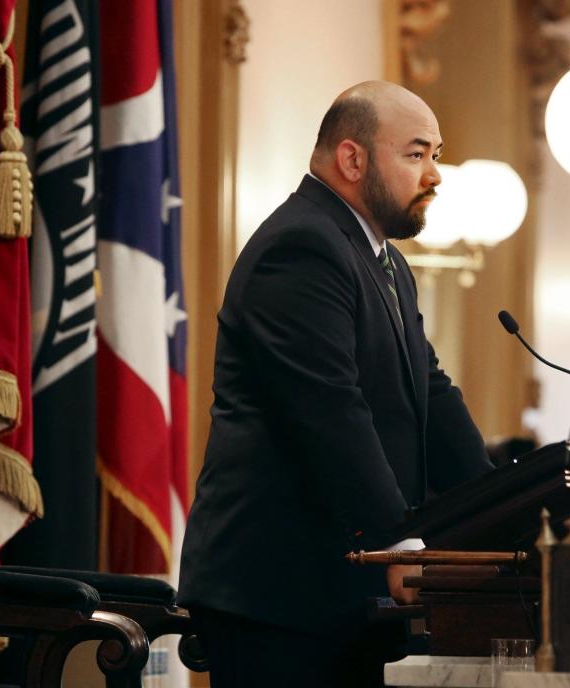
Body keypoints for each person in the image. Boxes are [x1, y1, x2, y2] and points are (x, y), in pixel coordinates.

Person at [178, 81, 494, 687]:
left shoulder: (386, 262)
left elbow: (431, 393)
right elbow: (328, 412)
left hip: (342, 594)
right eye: (417, 153)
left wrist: (496, 516)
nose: (435, 174)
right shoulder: (302, 246)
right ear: (353, 159)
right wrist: (396, 544)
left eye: (437, 153)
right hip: (278, 594)